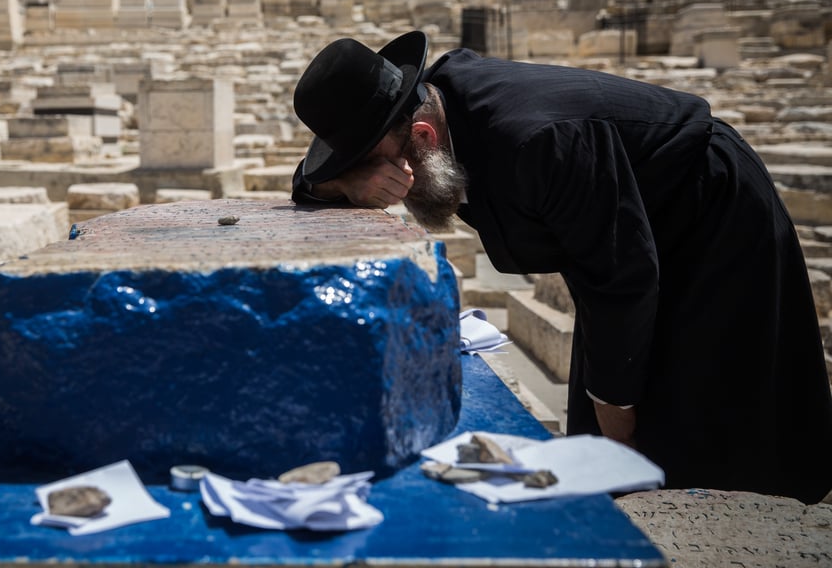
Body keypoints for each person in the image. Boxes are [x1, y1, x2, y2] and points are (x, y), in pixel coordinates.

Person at [291, 30, 832, 504]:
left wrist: (617, 417)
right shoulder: (435, 108)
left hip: (710, 225)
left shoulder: (536, 139)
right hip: (620, 245)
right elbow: (609, 263)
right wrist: (339, 182)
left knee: (693, 429)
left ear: (424, 140)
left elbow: (622, 276)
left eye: (376, 163)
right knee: (604, 432)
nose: (386, 188)